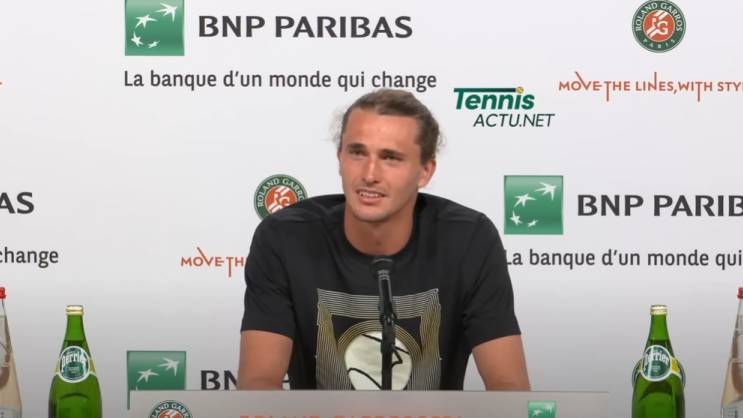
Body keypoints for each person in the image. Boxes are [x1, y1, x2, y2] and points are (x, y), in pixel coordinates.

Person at [238, 89, 529, 391]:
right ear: (339, 158)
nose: (369, 174)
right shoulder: (286, 238)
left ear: (425, 171)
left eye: (390, 158)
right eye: (357, 152)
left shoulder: (469, 240)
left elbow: (509, 387)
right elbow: (258, 384)